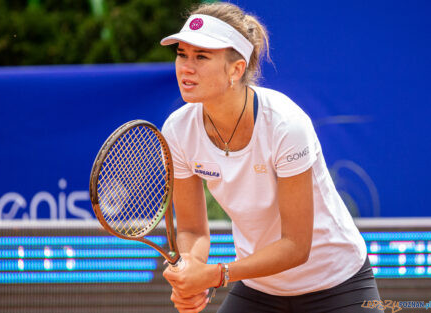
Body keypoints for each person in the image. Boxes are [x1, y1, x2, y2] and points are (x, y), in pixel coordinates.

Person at [159, 2, 383, 313]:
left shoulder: (285, 125)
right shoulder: (177, 130)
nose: (185, 66)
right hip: (259, 289)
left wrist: (215, 274)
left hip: (337, 285)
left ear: (236, 70)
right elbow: (192, 231)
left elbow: (296, 247)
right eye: (182, 54)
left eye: (201, 57)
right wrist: (192, 270)